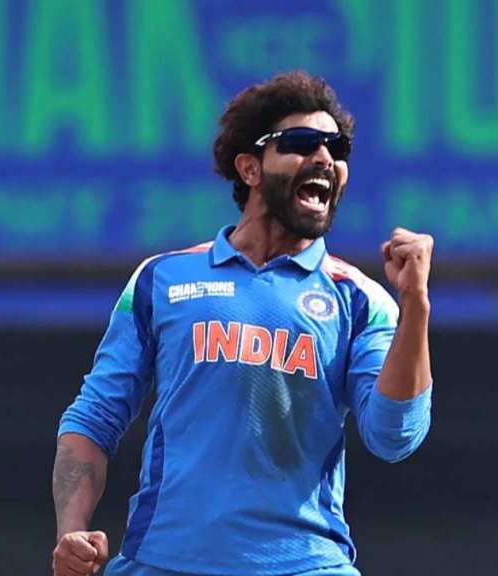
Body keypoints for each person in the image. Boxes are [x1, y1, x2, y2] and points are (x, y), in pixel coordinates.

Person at [51, 70, 434, 576]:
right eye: (302, 143)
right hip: (164, 562)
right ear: (250, 168)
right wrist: (71, 531)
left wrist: (416, 307)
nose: (325, 158)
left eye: (337, 148)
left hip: (305, 566)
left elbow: (394, 435)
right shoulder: (160, 279)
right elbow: (94, 418)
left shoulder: (360, 300)